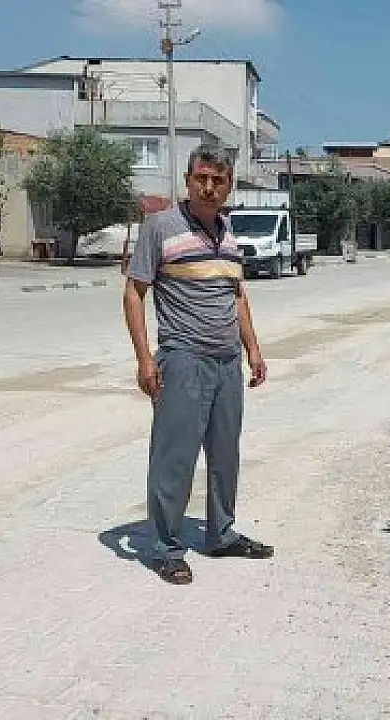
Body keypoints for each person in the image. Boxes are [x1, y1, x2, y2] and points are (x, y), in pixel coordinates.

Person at [122, 144, 274, 585]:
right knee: (175, 458)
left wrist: (253, 348)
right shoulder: (160, 227)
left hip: (227, 362)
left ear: (229, 185)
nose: (209, 187)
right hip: (183, 359)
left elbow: (237, 294)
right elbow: (134, 293)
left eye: (218, 180)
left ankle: (221, 535)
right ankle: (166, 548)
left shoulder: (228, 233)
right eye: (201, 178)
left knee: (226, 455)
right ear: (187, 180)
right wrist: (144, 359)